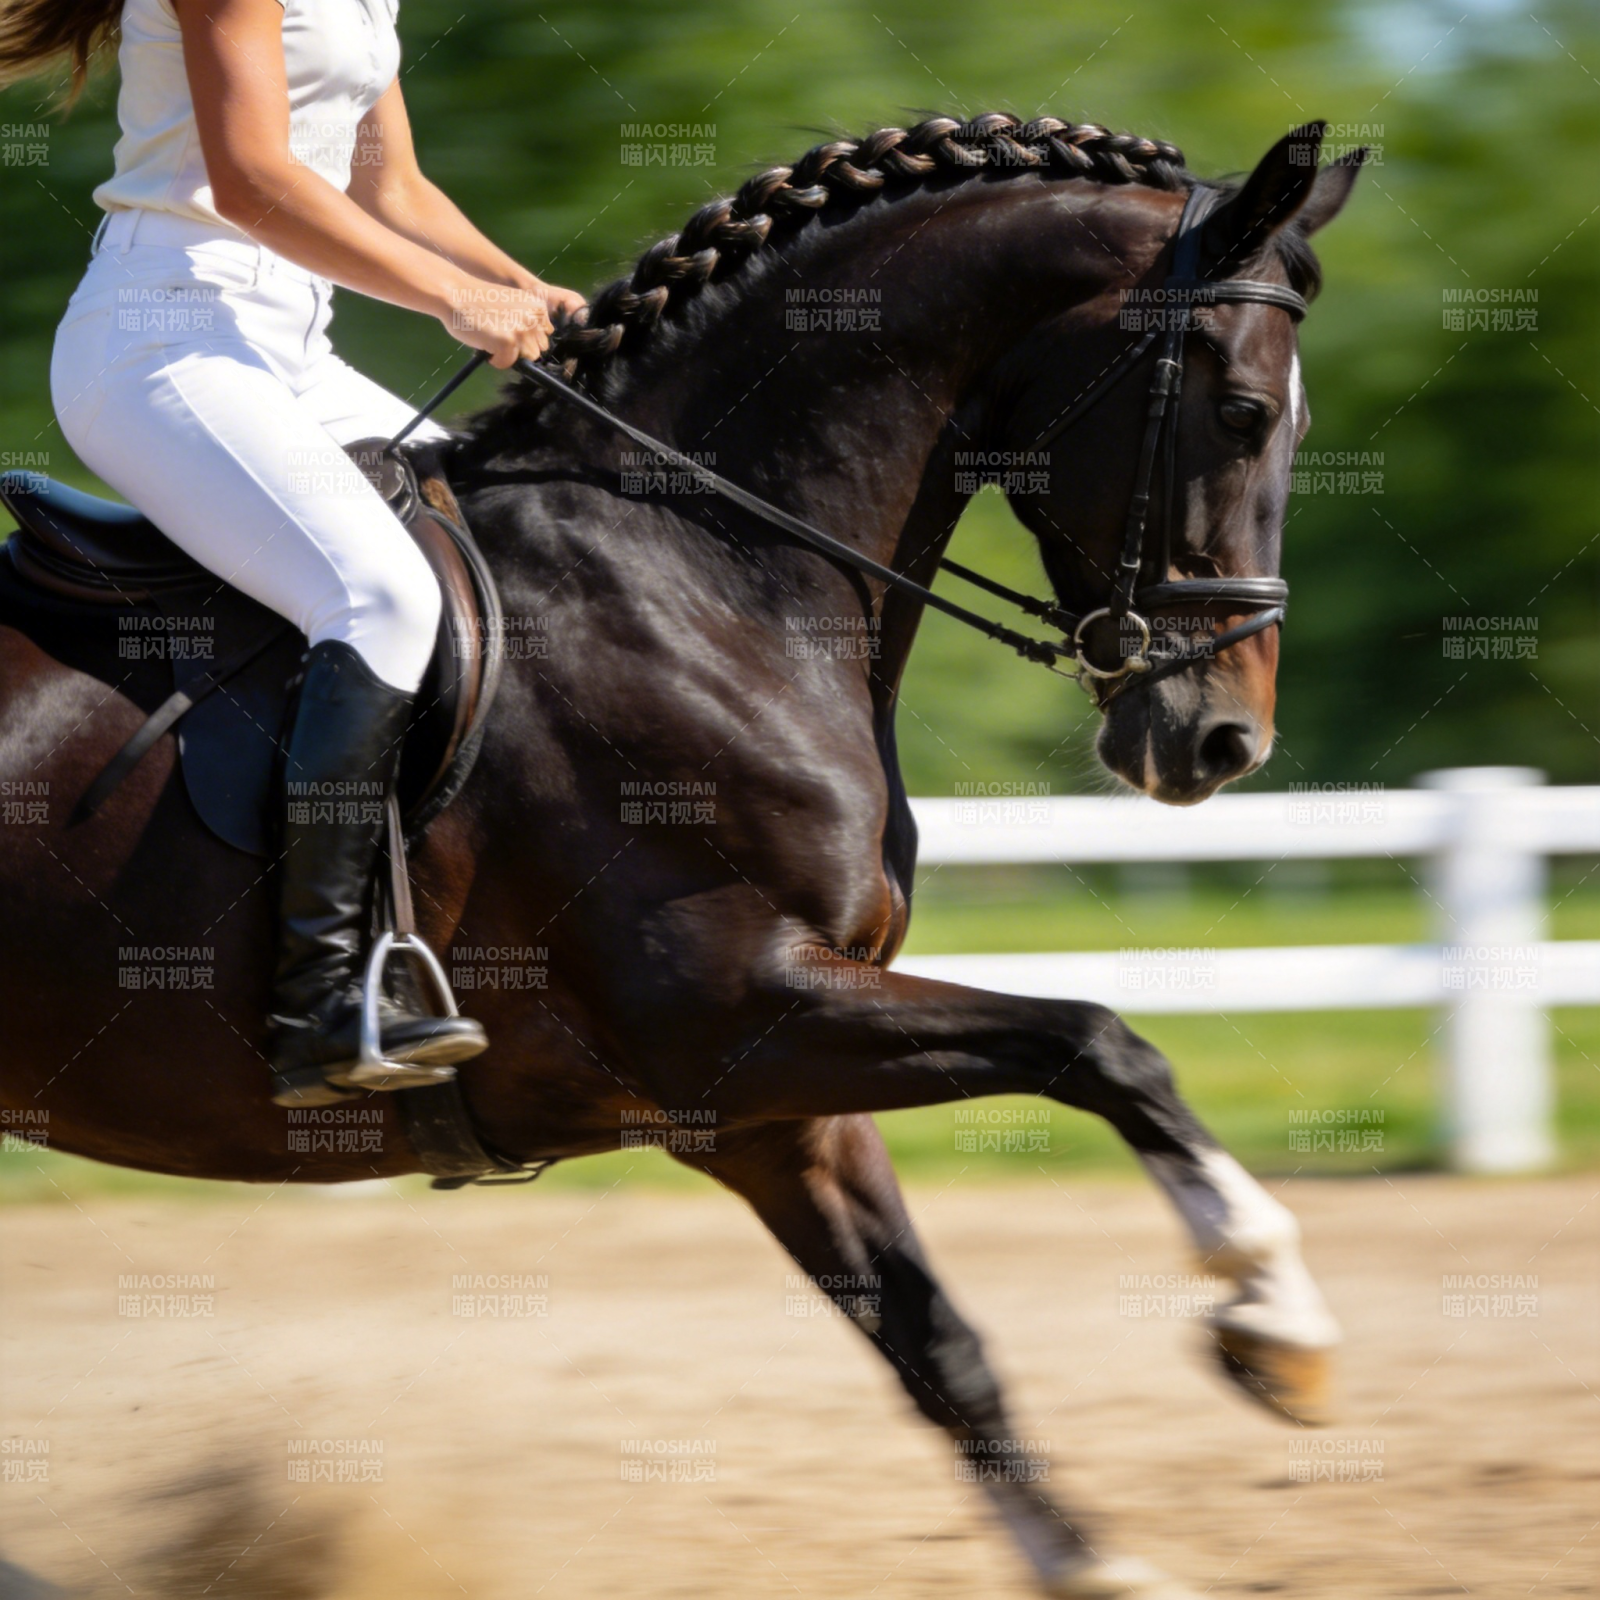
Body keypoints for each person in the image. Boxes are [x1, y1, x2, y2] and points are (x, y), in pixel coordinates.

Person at [0, 0, 584, 1107]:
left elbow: (391, 190)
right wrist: (452, 298)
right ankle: (322, 998)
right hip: (164, 340)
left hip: (285, 351)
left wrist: (532, 293)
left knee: (513, 542)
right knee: (380, 599)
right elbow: (252, 181)